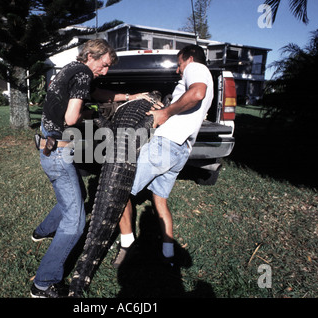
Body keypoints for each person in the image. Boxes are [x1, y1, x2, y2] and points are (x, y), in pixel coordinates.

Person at [30, 39, 147, 298]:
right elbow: (72, 117)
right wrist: (96, 117)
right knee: (75, 222)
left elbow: (97, 93)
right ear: (91, 55)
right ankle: (43, 283)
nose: (105, 72)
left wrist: (130, 97)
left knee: (75, 196)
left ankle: (41, 232)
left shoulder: (70, 69)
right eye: (104, 65)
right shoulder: (83, 74)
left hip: (47, 146)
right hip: (58, 152)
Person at [113, 44, 214, 268]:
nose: (178, 70)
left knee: (120, 190)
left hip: (165, 145)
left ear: (188, 58)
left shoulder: (196, 68)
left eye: (179, 64)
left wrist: (165, 113)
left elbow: (197, 93)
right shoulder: (204, 77)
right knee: (159, 201)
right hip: (181, 150)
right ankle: (168, 255)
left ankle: (127, 245)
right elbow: (191, 103)